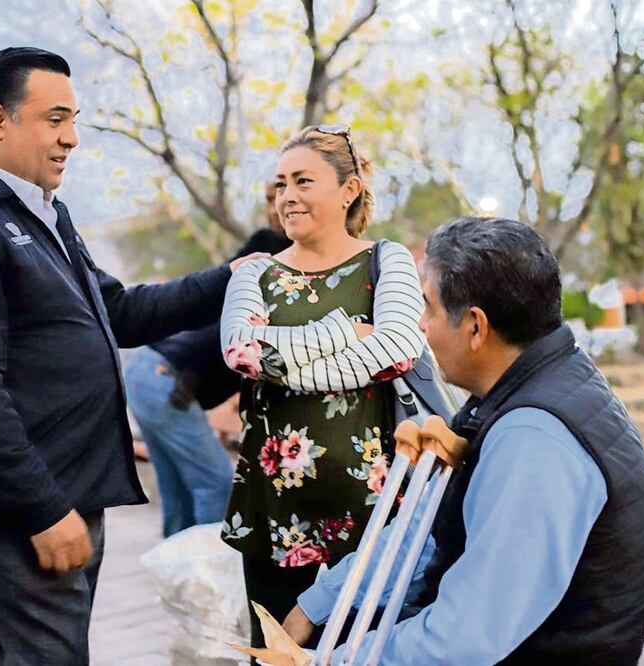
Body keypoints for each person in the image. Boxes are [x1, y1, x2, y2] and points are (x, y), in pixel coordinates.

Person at [0, 47, 262, 663]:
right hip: (20, 505)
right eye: (56, 119)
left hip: (67, 487)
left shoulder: (42, 213)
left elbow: (117, 311)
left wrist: (231, 278)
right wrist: (42, 509)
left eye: (74, 119)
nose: (73, 138)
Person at [282, 217, 644, 665]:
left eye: (431, 309)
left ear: (476, 327)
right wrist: (319, 602)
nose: (422, 325)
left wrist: (334, 662)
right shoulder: (521, 388)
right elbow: (427, 529)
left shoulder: (534, 440)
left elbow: (464, 638)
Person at [219, 125, 425, 651]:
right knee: (277, 656)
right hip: (274, 517)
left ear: (349, 189)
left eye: (303, 181)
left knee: (364, 653)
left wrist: (283, 360)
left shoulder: (387, 260)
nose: (287, 196)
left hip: (373, 513)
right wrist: (342, 332)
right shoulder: (254, 273)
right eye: (281, 184)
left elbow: (400, 346)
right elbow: (241, 353)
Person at [124, 184, 291, 538]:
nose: (277, 206)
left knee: (179, 495)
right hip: (163, 373)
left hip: (149, 372)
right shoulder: (271, 250)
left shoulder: (274, 252)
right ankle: (208, 585)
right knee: (215, 484)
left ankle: (181, 585)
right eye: (272, 197)